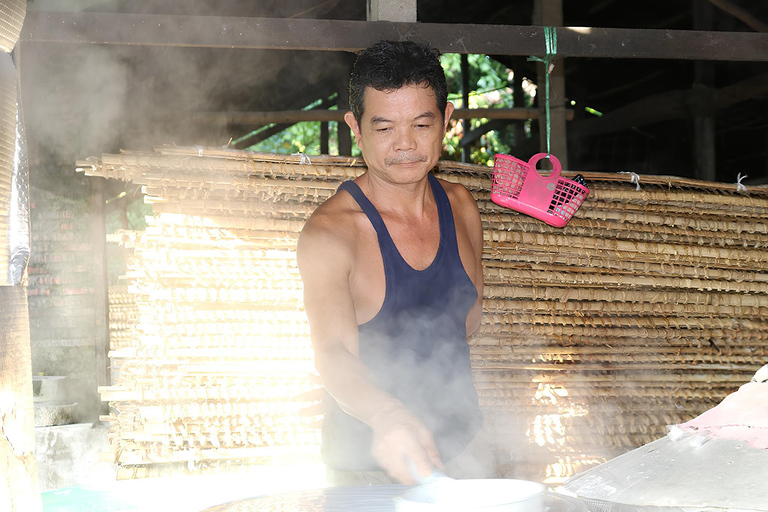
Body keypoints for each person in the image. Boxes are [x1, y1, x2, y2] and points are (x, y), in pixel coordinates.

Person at [297, 40, 497, 486]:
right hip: (370, 470)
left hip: (465, 452)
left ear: (446, 120)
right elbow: (332, 353)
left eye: (421, 124)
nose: (405, 145)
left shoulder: (461, 206)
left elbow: (466, 323)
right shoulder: (331, 233)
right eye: (385, 128)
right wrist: (389, 414)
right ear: (356, 126)